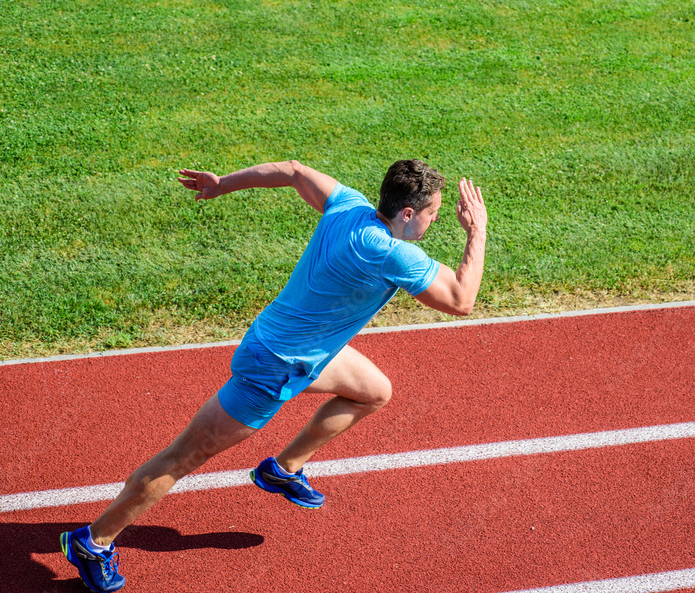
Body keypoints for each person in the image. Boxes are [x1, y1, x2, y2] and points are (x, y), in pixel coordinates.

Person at [60, 159, 487, 592]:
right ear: (409, 213)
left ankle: (283, 469)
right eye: (434, 212)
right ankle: (93, 542)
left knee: (374, 391)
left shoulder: (348, 206)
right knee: (181, 459)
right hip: (274, 368)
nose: (437, 220)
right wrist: (477, 231)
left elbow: (292, 170)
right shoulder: (392, 253)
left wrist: (223, 184)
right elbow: (461, 300)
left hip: (302, 352)